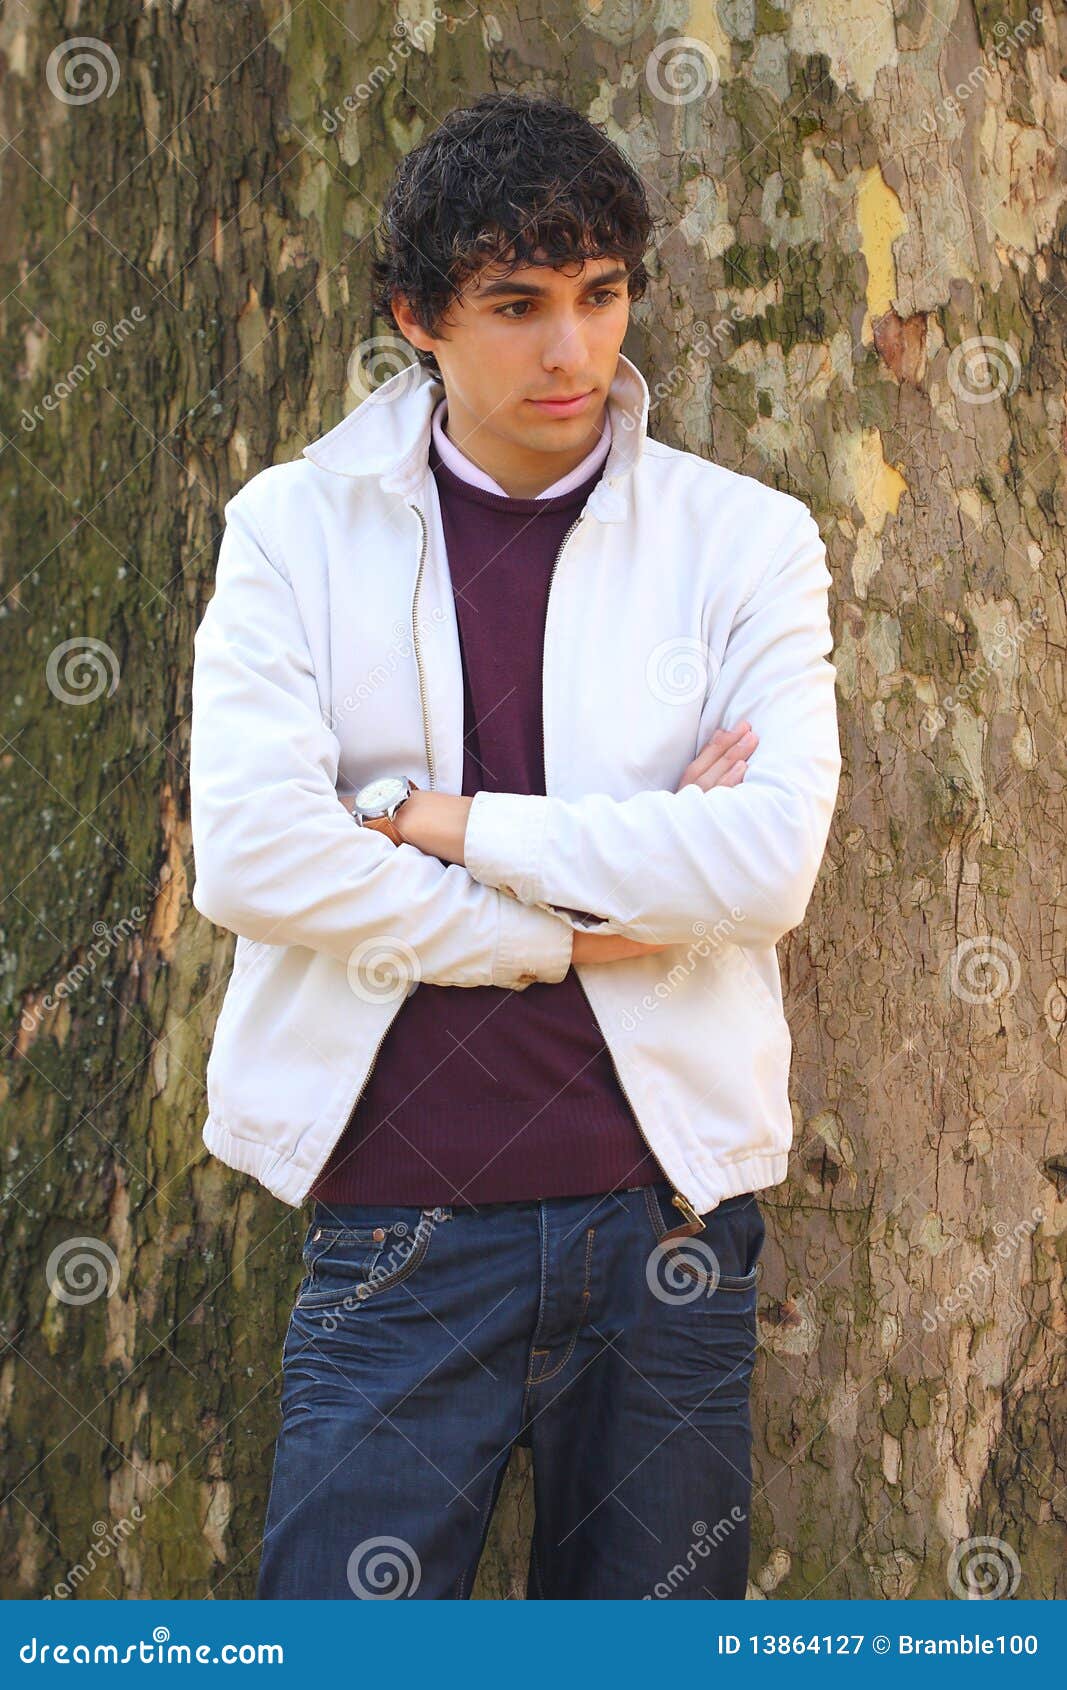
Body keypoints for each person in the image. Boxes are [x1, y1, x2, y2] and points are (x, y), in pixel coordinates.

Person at [189, 91, 841, 1599]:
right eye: (517, 306)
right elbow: (251, 858)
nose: (572, 351)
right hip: (397, 1231)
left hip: (663, 1224)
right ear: (420, 317)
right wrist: (556, 930)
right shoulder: (295, 529)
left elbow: (762, 869)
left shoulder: (744, 540)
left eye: (601, 295)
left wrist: (442, 820)